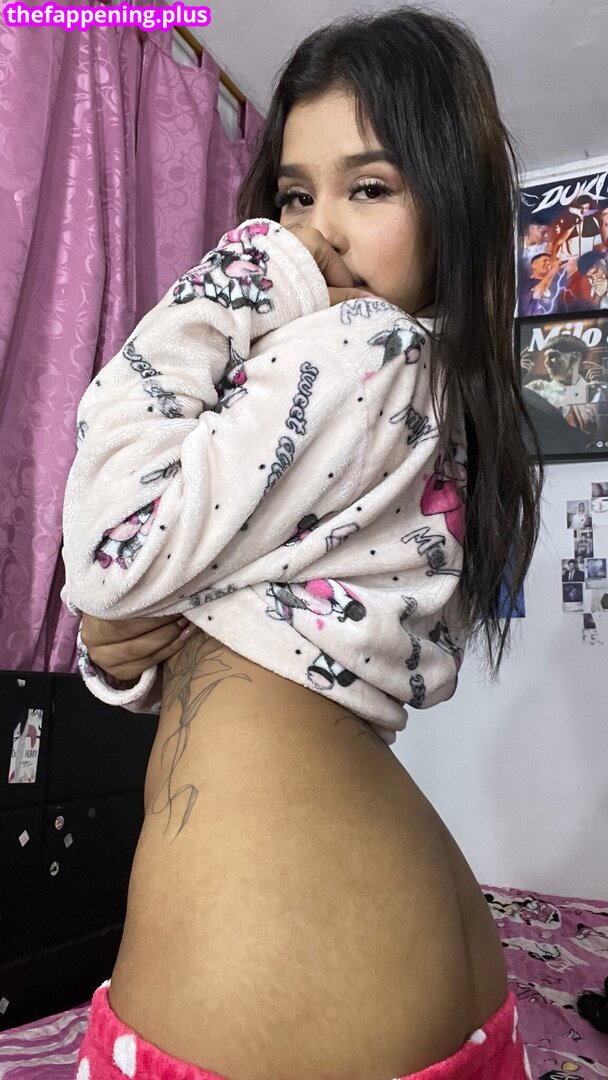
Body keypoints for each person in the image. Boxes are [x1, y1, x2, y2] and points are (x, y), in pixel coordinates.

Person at [61, 8, 541, 1080]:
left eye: (368, 188)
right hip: (381, 932)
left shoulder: (360, 343)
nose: (315, 235)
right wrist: (116, 641)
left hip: (288, 951)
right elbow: (224, 607)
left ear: (448, 207)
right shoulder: (410, 389)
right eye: (289, 198)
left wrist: (234, 275)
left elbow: (110, 547)